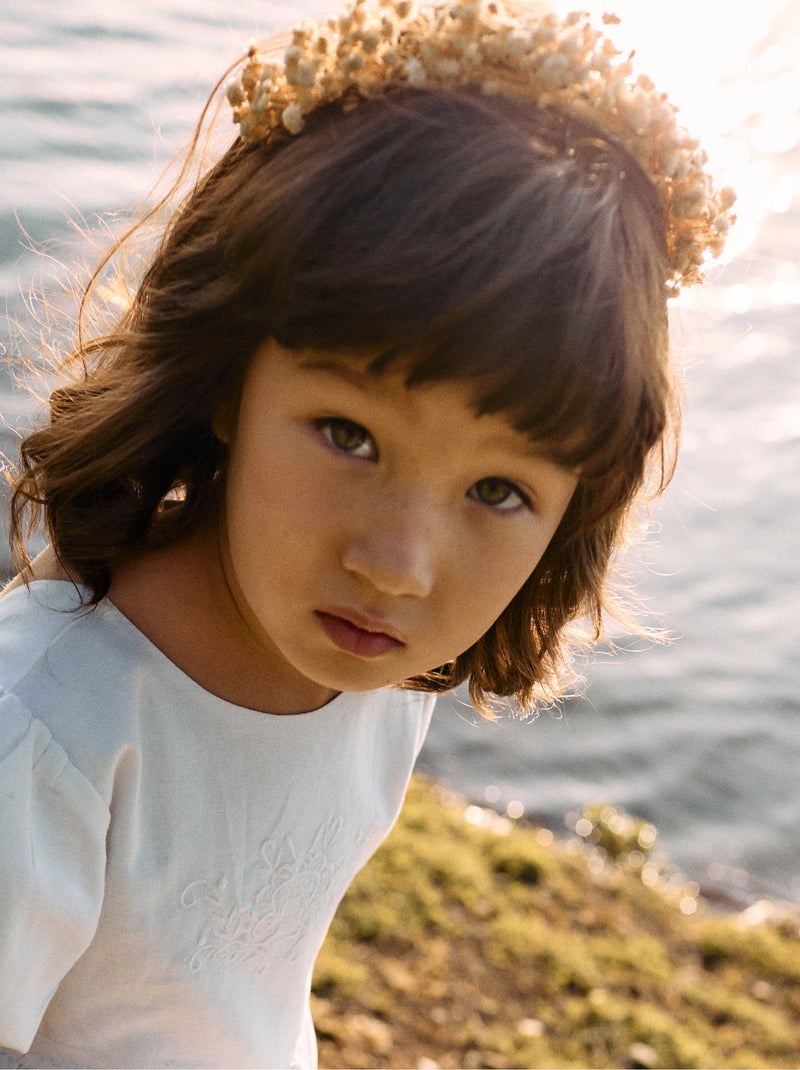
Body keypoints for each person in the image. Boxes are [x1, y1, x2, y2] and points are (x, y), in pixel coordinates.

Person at [0, 0, 734, 1066]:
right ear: (228, 377)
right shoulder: (47, 735)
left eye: (495, 491)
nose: (396, 563)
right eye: (347, 434)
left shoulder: (376, 667)